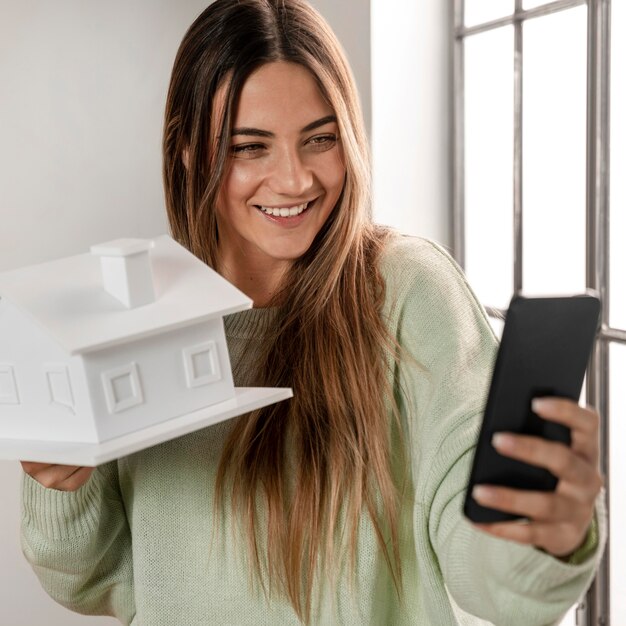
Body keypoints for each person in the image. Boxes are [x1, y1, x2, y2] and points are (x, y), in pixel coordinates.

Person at [20, 1, 606, 624]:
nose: (295, 180)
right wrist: (60, 484)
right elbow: (93, 577)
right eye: (251, 147)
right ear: (189, 151)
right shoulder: (139, 311)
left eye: (320, 139)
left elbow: (482, 560)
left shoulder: (407, 290)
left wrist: (545, 533)